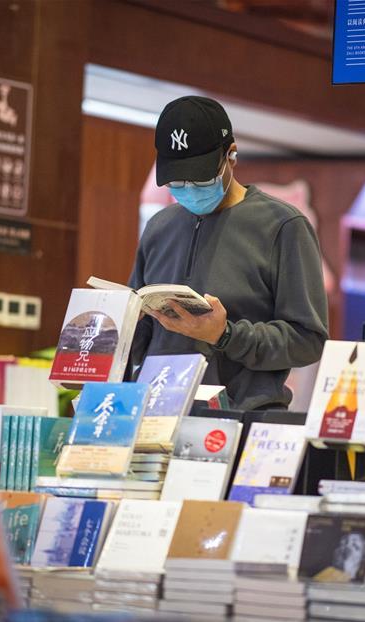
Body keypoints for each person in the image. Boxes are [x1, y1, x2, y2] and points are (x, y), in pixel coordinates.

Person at [128, 96, 329, 411]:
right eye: (177, 181)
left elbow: (308, 341)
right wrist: (112, 328)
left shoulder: (283, 226)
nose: (188, 189)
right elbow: (140, 334)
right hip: (157, 415)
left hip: (241, 422)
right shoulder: (159, 227)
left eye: (201, 177)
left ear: (231, 155)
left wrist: (225, 335)